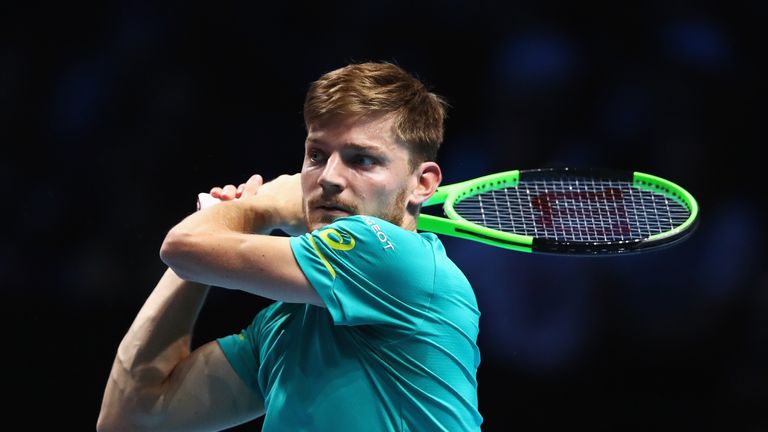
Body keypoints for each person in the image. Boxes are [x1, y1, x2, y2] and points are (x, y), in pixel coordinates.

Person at [97, 62, 483, 431]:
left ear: (423, 184)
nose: (329, 178)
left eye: (361, 160)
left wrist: (256, 210)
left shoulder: (395, 259)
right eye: (316, 155)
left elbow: (182, 245)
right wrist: (225, 228)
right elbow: (133, 416)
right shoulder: (283, 324)